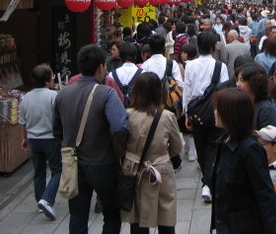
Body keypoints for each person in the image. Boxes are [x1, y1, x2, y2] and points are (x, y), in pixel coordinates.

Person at [54, 44, 130, 234]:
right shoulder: (106, 93)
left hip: (73, 163)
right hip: (102, 162)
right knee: (112, 212)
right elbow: (120, 126)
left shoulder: (63, 94)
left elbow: (56, 130)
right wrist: (120, 147)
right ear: (101, 67)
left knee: (78, 215)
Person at [210, 88, 276, 234]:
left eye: (218, 108)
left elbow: (265, 195)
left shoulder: (249, 149)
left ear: (230, 114)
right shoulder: (223, 142)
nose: (214, 112)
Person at [122, 72, 182, 234]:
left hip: (133, 169)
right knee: (166, 217)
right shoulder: (167, 116)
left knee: (137, 220)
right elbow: (177, 147)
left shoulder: (127, 115)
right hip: (160, 169)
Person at [182, 30, 229, 203]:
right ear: (212, 48)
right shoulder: (220, 67)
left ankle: (207, 181)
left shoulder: (190, 66)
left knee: (201, 147)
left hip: (196, 112)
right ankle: (209, 182)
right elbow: (224, 91)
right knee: (214, 147)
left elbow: (187, 91)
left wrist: (186, 113)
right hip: (215, 112)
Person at [19, 64, 61, 220]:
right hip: (50, 139)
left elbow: (22, 120)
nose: (53, 78)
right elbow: (58, 118)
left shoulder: (26, 96)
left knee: (38, 172)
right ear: (47, 80)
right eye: (52, 76)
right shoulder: (52, 96)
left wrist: (24, 138)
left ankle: (40, 200)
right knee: (57, 171)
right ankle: (47, 199)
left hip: (34, 139)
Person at [236, 62, 276, 129]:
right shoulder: (243, 103)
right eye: (237, 80)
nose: (238, 84)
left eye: (242, 80)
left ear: (254, 82)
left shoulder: (265, 109)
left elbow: (267, 137)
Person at [109, 42, 144, 107]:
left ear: (121, 56)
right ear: (135, 56)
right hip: (137, 110)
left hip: (118, 110)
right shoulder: (143, 73)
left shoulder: (112, 74)